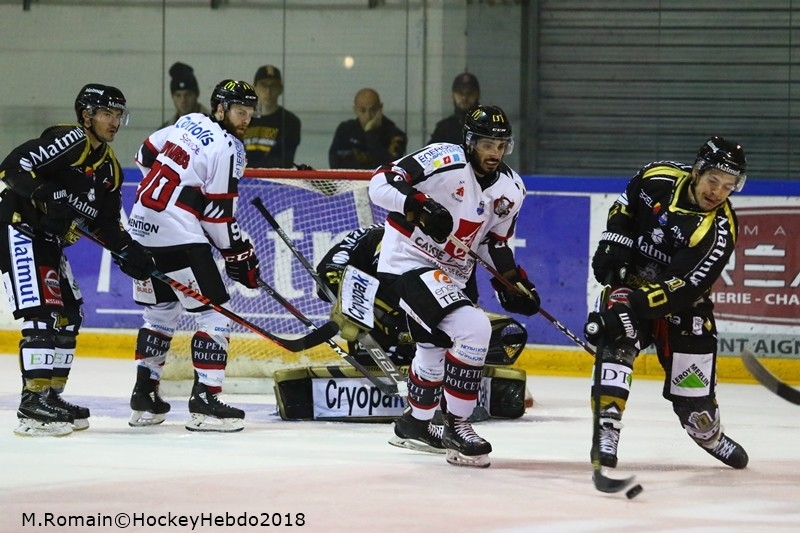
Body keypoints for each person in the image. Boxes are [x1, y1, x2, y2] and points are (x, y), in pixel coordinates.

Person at [368, 105, 540, 467]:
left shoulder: (512, 189)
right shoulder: (443, 158)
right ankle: (457, 424)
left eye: (501, 145)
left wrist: (513, 282)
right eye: (487, 144)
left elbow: (494, 244)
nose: (494, 152)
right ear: (469, 141)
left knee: (434, 346)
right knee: (473, 328)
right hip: (408, 260)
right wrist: (419, 204)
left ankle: (414, 424)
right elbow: (381, 182)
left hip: (453, 273)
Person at [583, 136, 750, 470]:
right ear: (697, 171)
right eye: (713, 180)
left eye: (728, 187)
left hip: (685, 306)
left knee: (694, 406)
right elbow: (625, 205)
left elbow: (682, 288)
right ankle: (606, 430)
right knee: (617, 344)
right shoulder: (657, 177)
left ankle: (709, 435)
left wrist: (628, 310)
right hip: (631, 286)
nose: (717, 192)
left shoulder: (718, 230)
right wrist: (614, 240)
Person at [0, 84, 156, 437]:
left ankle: (51, 396)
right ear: (87, 116)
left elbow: (105, 225)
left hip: (49, 239)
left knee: (70, 314)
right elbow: (11, 168)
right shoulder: (71, 140)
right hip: (19, 228)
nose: (114, 121)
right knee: (44, 314)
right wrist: (46, 194)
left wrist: (129, 251)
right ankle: (33, 402)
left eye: (119, 114)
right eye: (107, 113)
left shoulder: (110, 170)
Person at [126, 79, 261, 433]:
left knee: (160, 313)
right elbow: (217, 217)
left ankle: (144, 397)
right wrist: (237, 255)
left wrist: (172, 202)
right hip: (177, 236)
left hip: (140, 227)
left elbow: (143, 156)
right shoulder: (228, 147)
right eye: (238, 110)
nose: (245, 118)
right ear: (220, 108)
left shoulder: (187, 122)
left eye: (249, 112)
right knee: (215, 315)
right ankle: (206, 402)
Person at [329, 88, 407, 169]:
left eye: (373, 110)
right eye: (363, 110)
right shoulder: (345, 130)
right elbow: (335, 162)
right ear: (355, 110)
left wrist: (370, 134)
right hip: (348, 181)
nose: (368, 116)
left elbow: (389, 167)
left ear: (380, 108)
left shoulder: (395, 135)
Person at [242, 65, 302, 169]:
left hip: (276, 180)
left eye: (273, 86)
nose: (268, 91)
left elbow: (283, 160)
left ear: (280, 89)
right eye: (263, 85)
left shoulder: (290, 122)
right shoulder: (242, 119)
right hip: (244, 179)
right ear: (254, 88)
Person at [428, 72, 481, 144]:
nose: (464, 98)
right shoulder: (444, 129)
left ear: (477, 95)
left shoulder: (487, 126)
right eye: (460, 93)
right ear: (452, 95)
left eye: (470, 93)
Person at [161, 62, 209, 128]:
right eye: (178, 95)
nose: (183, 100)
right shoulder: (165, 130)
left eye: (188, 95)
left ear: (196, 94)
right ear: (172, 97)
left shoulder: (215, 125)